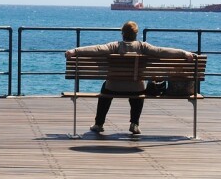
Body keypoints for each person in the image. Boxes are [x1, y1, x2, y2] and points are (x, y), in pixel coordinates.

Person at [64, 21, 195, 135]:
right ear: (136, 34)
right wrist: (184, 53)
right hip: (136, 89)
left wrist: (75, 51)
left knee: (105, 88)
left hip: (113, 88)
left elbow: (97, 49)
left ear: (123, 33)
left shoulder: (114, 46)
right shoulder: (143, 47)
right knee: (139, 87)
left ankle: (99, 124)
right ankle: (134, 123)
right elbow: (161, 51)